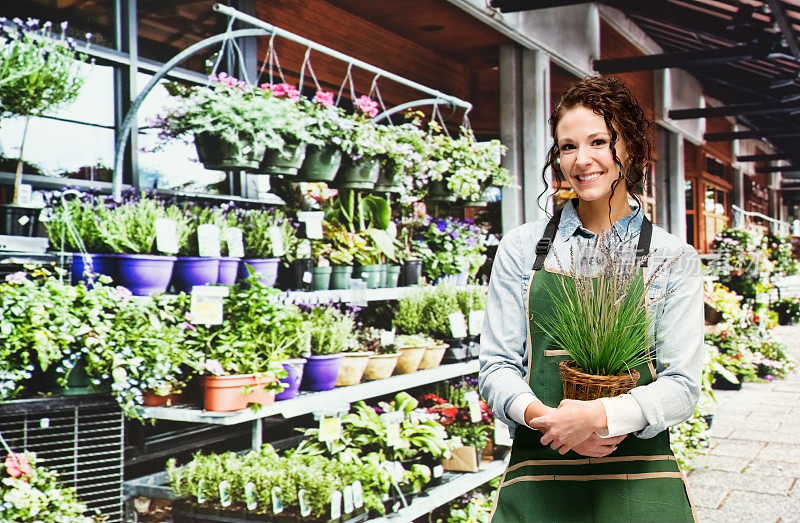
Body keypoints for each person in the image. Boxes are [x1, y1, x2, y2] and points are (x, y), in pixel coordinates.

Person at [479, 75, 703, 522]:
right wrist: (554, 423)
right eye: (567, 147)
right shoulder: (522, 249)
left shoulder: (672, 257)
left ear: (629, 150)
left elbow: (682, 387)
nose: (582, 161)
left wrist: (599, 417)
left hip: (640, 484)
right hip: (540, 479)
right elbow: (496, 367)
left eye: (598, 142)